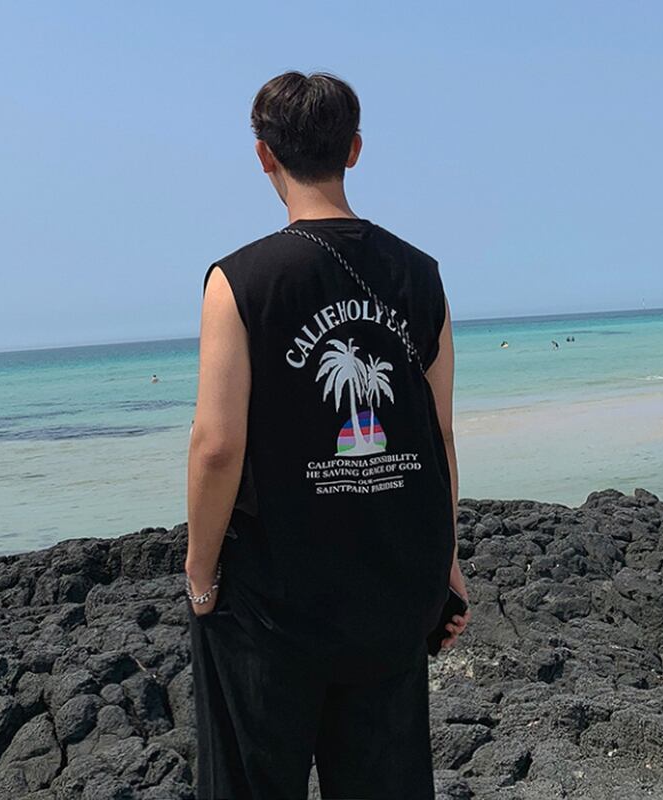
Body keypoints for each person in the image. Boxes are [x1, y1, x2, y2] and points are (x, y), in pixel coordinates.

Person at [185, 71, 470, 800]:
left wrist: (200, 573)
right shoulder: (422, 275)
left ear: (264, 155)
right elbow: (438, 435)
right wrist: (446, 561)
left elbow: (216, 447)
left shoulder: (238, 281)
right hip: (391, 591)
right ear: (354, 149)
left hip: (272, 604)